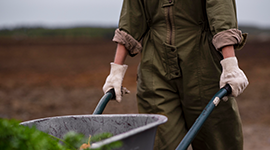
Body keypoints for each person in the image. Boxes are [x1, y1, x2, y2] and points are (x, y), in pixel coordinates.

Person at [102, 0, 249, 150]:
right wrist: (116, 71)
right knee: (161, 141)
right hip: (155, 68)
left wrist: (230, 63)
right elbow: (130, 20)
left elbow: (221, 12)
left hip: (204, 65)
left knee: (217, 140)